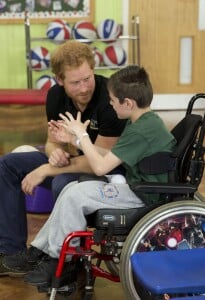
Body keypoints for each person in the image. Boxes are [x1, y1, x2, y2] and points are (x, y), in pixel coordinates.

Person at [7, 65, 176, 286]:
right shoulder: (144, 122)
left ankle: (61, 260)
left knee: (75, 196)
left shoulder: (141, 130)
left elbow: (100, 167)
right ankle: (41, 250)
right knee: (70, 189)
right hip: (138, 186)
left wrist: (82, 134)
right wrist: (75, 140)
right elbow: (111, 154)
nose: (110, 103)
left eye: (113, 100)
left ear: (128, 103)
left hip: (145, 194)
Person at [0, 40, 126, 275]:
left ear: (93, 68)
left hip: (108, 173)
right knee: (7, 165)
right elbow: (53, 142)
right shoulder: (55, 96)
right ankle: (11, 253)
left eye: (87, 78)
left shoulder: (110, 98)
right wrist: (53, 154)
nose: (84, 88)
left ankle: (67, 261)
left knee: (62, 182)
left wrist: (47, 169)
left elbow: (100, 163)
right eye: (75, 82)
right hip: (74, 163)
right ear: (59, 80)